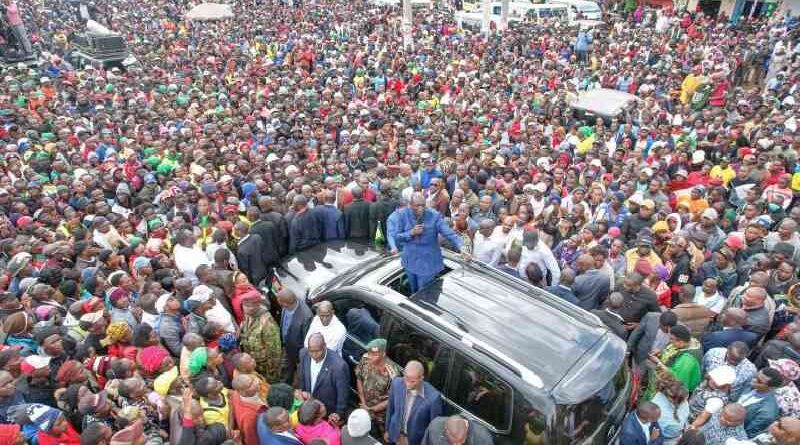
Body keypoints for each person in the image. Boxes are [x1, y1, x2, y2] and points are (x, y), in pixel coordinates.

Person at [394, 193, 467, 293]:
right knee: (413, 291)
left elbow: (449, 234)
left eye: (423, 205)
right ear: (410, 205)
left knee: (423, 293)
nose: (421, 209)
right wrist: (411, 233)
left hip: (428, 263)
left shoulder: (434, 216)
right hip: (410, 260)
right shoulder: (403, 215)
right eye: (417, 206)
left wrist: (462, 246)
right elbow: (397, 237)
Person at [385, 360, 443, 445]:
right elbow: (390, 408)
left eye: (413, 381)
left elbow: (433, 428)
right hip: (395, 434)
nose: (408, 384)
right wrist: (387, 430)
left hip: (415, 441)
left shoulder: (433, 398)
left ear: (421, 378)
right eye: (406, 379)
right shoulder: (396, 383)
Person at [297, 333, 350, 425]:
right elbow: (302, 378)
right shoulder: (303, 354)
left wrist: (338, 414)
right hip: (308, 410)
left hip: (327, 414)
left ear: (324, 346)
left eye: (317, 351)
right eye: (311, 351)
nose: (314, 355)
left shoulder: (339, 366)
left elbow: (342, 395)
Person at [355, 339, 400, 437]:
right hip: (364, 406)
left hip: (381, 415)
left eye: (374, 354)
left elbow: (391, 399)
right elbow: (359, 378)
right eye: (369, 353)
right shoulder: (365, 359)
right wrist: (363, 402)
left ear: (383, 354)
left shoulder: (392, 373)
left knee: (381, 437)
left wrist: (372, 409)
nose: (370, 356)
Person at [277, 289, 313, 384]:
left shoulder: (306, 316)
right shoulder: (287, 306)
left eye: (279, 300)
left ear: (285, 303)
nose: (277, 301)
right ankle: (285, 385)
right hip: (287, 347)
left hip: (297, 352)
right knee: (285, 371)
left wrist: (301, 358)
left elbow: (306, 340)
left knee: (299, 376)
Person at [738, 368, 783, 438]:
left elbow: (747, 434)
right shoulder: (751, 385)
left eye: (759, 381)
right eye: (755, 376)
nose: (754, 380)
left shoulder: (767, 413)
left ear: (771, 388)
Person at [420, 415, 494, 445]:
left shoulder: (483, 438)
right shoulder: (435, 427)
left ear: (467, 427)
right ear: (446, 429)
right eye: (454, 442)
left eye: (461, 441)